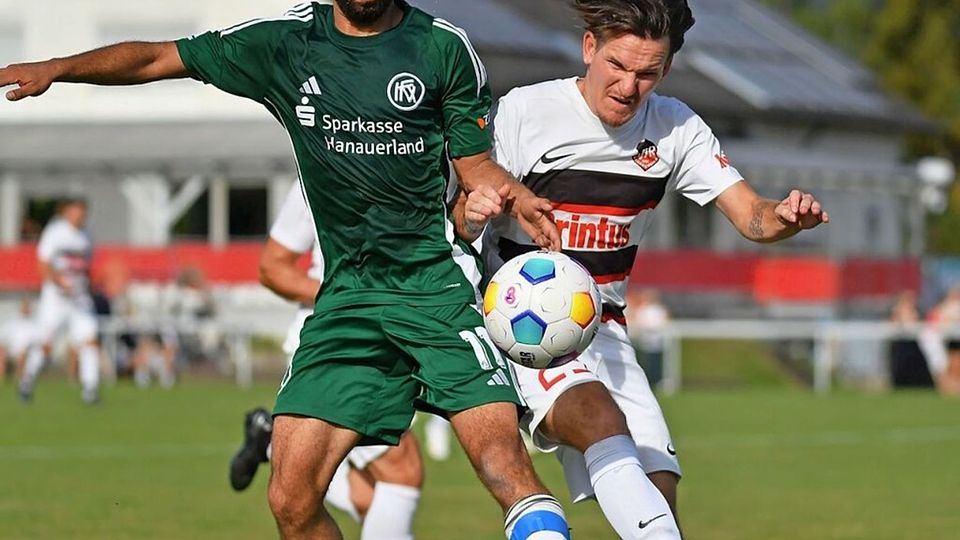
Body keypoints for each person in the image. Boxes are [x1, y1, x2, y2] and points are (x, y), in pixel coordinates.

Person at [1, 2, 571, 539]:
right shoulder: (287, 44)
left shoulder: (442, 47)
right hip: (347, 300)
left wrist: (514, 195)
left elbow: (475, 167)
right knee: (291, 500)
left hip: (435, 289)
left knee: (501, 464)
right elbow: (157, 58)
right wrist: (58, 68)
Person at [454, 1, 829, 537]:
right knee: (600, 420)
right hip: (523, 325)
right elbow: (461, 213)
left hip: (604, 325)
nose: (629, 87)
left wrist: (787, 217)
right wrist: (475, 212)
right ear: (590, 48)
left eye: (647, 73)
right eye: (618, 66)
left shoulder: (676, 127)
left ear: (667, 69)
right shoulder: (524, 112)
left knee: (659, 493)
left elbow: (752, 216)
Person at [229, 183, 424, 540]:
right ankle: (273, 443)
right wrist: (344, 298)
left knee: (370, 501)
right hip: (332, 344)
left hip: (389, 342)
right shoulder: (317, 168)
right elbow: (273, 267)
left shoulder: (418, 165)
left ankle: (271, 442)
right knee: (401, 472)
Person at [17, 198, 102, 404]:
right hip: (56, 300)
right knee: (45, 345)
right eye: (75, 211)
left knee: (89, 342)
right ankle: (27, 381)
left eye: (82, 212)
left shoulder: (87, 236)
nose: (79, 216)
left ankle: (90, 389)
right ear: (67, 212)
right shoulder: (55, 233)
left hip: (79, 299)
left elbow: (86, 267)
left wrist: (91, 286)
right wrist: (58, 281)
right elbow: (43, 264)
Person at [628, 289, 670, 387]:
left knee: (655, 363)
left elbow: (663, 322)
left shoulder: (658, 310)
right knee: (642, 363)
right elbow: (637, 322)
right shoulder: (642, 309)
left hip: (656, 342)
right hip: (642, 342)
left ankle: (656, 381)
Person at [1, 297, 39, 385]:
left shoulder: (34, 324)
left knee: (22, 354)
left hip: (26, 351)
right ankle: (1, 378)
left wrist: (26, 348)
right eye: (24, 307)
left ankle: (18, 379)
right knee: (1, 353)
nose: (25, 310)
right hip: (11, 350)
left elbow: (36, 341)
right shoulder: (12, 322)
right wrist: (4, 347)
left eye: (27, 307)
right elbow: (3, 337)